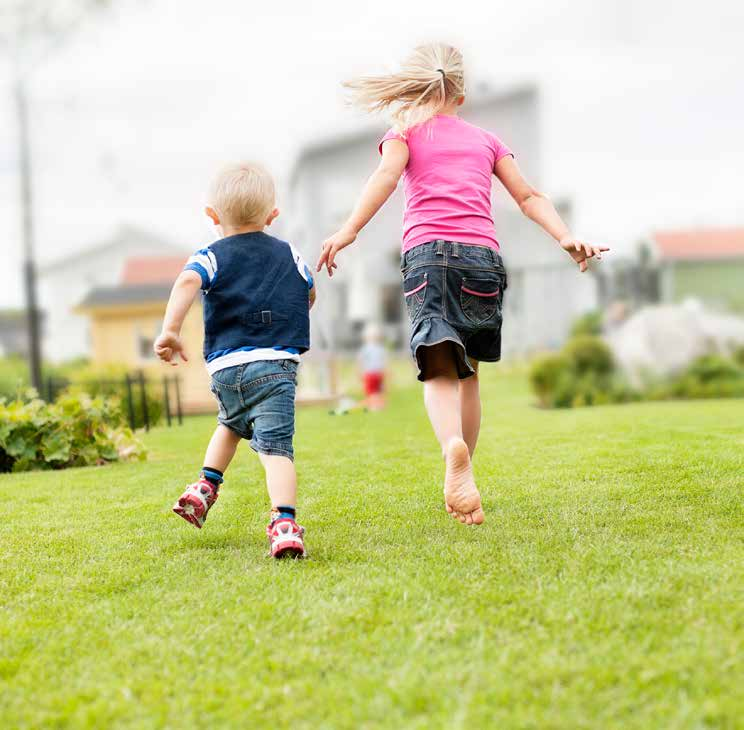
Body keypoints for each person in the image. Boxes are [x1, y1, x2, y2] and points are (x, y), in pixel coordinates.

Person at [316, 43, 608, 526]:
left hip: (428, 257)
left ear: (418, 86)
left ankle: (453, 448)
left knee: (439, 369)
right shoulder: (487, 141)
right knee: (469, 372)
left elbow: (386, 179)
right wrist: (566, 236)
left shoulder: (404, 134)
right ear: (462, 93)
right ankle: (463, 475)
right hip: (482, 262)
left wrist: (349, 230)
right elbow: (529, 196)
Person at [154, 162, 316, 557]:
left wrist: (171, 330)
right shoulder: (288, 252)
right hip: (275, 366)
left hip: (226, 367)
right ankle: (284, 523)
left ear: (212, 216)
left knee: (230, 422)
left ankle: (206, 485)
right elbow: (308, 290)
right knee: (276, 449)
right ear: (272, 216)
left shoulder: (210, 254)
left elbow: (188, 279)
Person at [358, 322, 387, 411]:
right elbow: (360, 361)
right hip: (371, 373)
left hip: (375, 373)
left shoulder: (379, 349)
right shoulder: (367, 349)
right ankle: (375, 405)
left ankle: (376, 405)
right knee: (374, 391)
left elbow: (384, 361)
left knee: (376, 390)